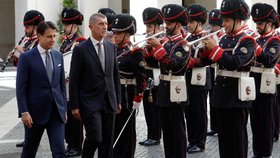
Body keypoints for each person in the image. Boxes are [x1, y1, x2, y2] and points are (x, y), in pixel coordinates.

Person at [203, 0, 255, 157]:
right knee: (224, 139)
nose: (223, 23)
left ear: (238, 20)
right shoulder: (223, 38)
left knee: (237, 138)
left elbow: (235, 63)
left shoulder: (246, 40)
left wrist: (216, 49)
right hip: (221, 95)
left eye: (226, 20)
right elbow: (209, 61)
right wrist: (202, 51)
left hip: (237, 95)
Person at [69, 13, 121, 158]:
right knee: (95, 138)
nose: (105, 27)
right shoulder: (81, 49)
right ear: (91, 27)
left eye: (105, 24)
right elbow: (74, 79)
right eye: (100, 24)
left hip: (109, 101)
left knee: (107, 142)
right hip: (89, 102)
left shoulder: (111, 47)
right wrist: (74, 105)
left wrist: (118, 100)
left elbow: (115, 75)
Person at [16, 21, 67, 158]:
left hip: (56, 113)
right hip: (34, 114)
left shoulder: (58, 56)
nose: (53, 40)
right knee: (29, 151)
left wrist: (64, 109)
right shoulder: (27, 58)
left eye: (54, 36)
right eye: (49, 36)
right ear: (39, 36)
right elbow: (20, 88)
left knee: (59, 151)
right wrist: (24, 111)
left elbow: (61, 85)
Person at [147, 4, 190, 158]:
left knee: (177, 131)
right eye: (166, 23)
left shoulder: (183, 45)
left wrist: (158, 48)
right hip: (164, 89)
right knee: (167, 132)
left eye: (170, 23)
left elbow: (174, 64)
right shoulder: (166, 42)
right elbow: (153, 64)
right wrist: (147, 51)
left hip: (176, 89)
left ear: (178, 24)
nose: (166, 26)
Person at [111, 14, 147, 158]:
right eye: (114, 32)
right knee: (114, 130)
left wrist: (138, 96)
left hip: (127, 94)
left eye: (119, 33)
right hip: (113, 94)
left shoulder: (135, 52)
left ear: (128, 33)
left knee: (126, 132)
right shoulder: (112, 49)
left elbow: (142, 78)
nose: (116, 35)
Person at [250, 3, 280, 157]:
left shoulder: (275, 40)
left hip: (266, 84)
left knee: (266, 121)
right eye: (256, 23)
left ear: (270, 23)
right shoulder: (258, 38)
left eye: (260, 23)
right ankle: (256, 151)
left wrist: (253, 46)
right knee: (255, 122)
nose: (257, 26)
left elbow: (269, 60)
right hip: (252, 84)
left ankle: (265, 153)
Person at [14, 10, 45, 148]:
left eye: (27, 27)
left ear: (36, 27)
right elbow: (21, 63)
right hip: (25, 80)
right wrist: (15, 57)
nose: (25, 30)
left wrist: (22, 52)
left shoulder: (40, 41)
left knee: (31, 111)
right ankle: (27, 137)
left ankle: (31, 139)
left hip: (35, 83)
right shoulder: (27, 40)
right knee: (23, 108)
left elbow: (36, 60)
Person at [60, 8, 85, 157]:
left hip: (74, 83)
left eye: (67, 24)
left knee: (75, 117)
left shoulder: (79, 41)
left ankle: (77, 145)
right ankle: (70, 143)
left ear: (74, 26)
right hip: (65, 83)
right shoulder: (66, 41)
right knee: (67, 116)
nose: (64, 27)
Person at [185, 4, 209, 153]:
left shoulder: (206, 37)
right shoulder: (188, 37)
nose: (188, 25)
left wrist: (195, 62)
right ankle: (191, 139)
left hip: (200, 77)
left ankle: (199, 142)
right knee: (189, 111)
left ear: (199, 22)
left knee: (199, 111)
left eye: (191, 22)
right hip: (187, 77)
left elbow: (210, 59)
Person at [138, 7, 164, 147]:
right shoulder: (149, 40)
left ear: (158, 26)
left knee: (155, 107)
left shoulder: (163, 39)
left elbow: (159, 59)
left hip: (158, 75)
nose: (147, 29)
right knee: (147, 106)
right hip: (147, 75)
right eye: (147, 26)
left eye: (150, 26)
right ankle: (150, 134)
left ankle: (156, 135)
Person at [206, 8, 224, 137]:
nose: (212, 28)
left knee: (218, 98)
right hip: (211, 69)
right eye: (212, 25)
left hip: (220, 69)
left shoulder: (223, 36)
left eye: (215, 25)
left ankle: (220, 125)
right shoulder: (208, 35)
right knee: (212, 99)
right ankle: (214, 126)